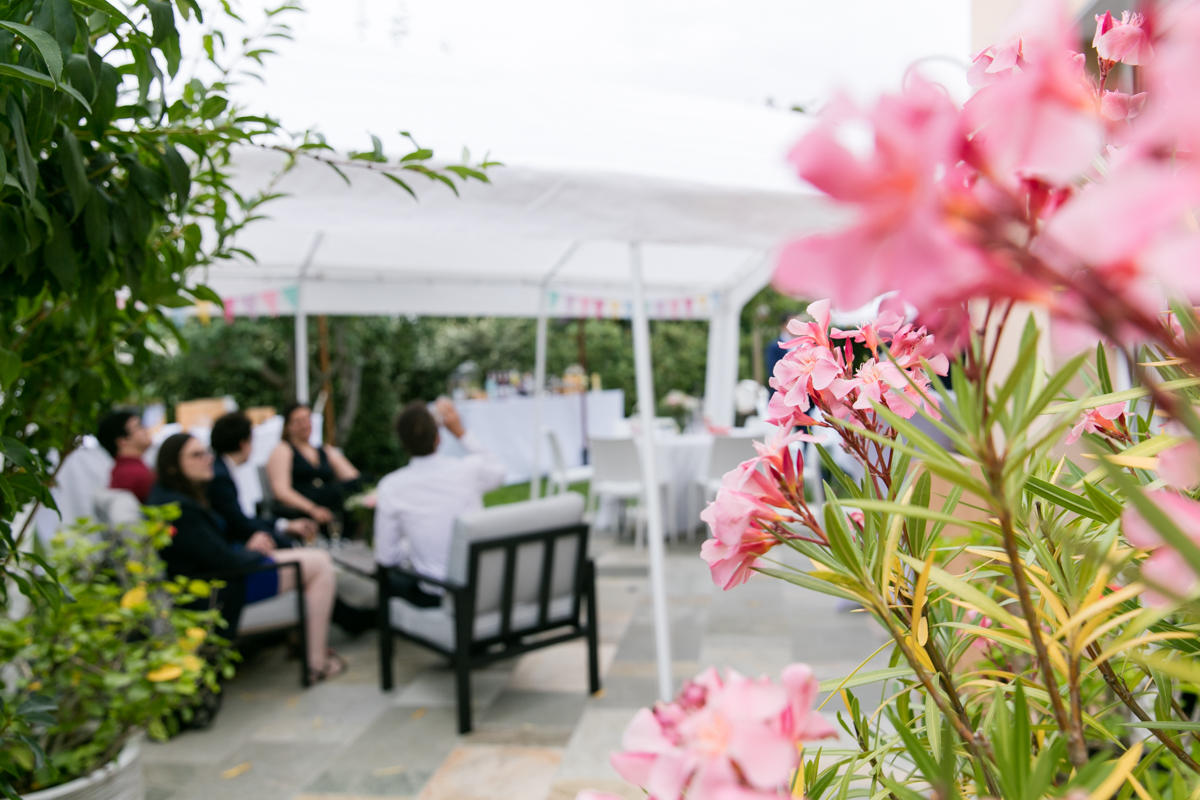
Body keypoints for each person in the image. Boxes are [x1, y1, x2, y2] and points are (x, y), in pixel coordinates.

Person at [147, 432, 345, 682]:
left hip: (217, 578)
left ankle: (300, 643)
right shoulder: (180, 508)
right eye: (196, 455)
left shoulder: (172, 497)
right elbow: (222, 560)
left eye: (206, 452)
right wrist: (253, 552)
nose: (207, 459)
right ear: (172, 466)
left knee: (310, 557)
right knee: (319, 564)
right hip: (219, 590)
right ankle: (316, 663)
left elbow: (213, 548)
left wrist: (250, 547)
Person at [374, 398, 506, 605]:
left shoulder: (391, 487)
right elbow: (498, 472)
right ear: (438, 438)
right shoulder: (468, 471)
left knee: (388, 583)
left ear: (403, 443)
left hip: (436, 591)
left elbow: (386, 557)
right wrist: (460, 432)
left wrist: (412, 545)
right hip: (480, 586)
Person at [209, 412, 319, 549]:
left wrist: (285, 525)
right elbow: (239, 524)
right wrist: (291, 545)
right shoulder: (221, 477)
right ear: (243, 444)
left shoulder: (221, 469)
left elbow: (241, 519)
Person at [266, 404, 361, 530]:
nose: (304, 425)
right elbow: (281, 491)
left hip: (330, 500)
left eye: (307, 419)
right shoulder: (283, 450)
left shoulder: (324, 450)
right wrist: (312, 509)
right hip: (304, 506)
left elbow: (354, 477)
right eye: (298, 421)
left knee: (363, 483)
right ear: (288, 426)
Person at [98, 408, 155, 502]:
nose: (146, 429)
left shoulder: (124, 470)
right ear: (122, 441)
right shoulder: (132, 474)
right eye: (139, 426)